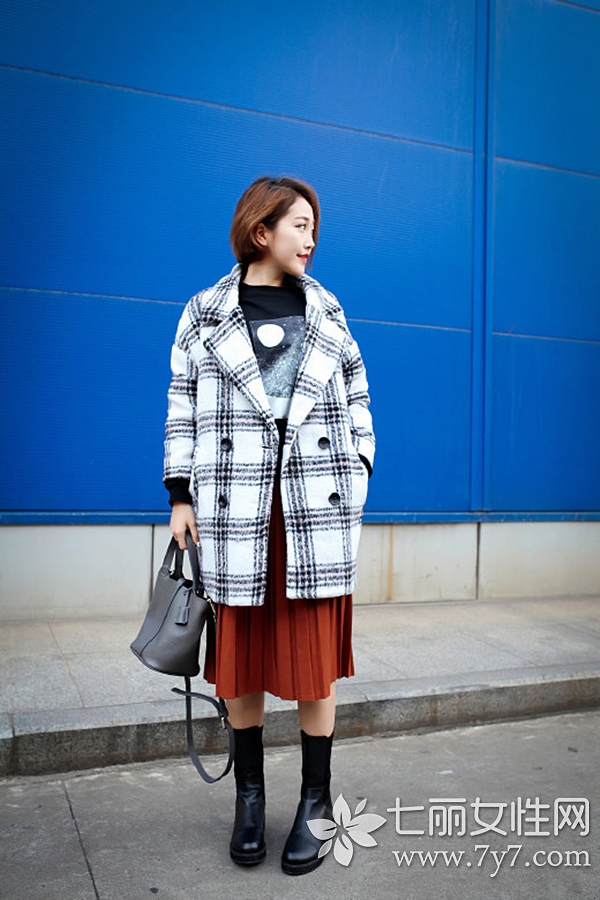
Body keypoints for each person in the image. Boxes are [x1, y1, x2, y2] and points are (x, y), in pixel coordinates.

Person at [163, 176, 375, 875]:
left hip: (315, 508)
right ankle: (249, 801)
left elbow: (358, 396)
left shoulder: (327, 309)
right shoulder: (205, 312)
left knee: (314, 663)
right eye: (299, 225)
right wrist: (180, 495)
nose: (311, 239)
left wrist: (359, 467)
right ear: (262, 231)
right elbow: (182, 403)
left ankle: (316, 802)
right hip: (237, 509)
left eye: (314, 227)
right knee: (242, 662)